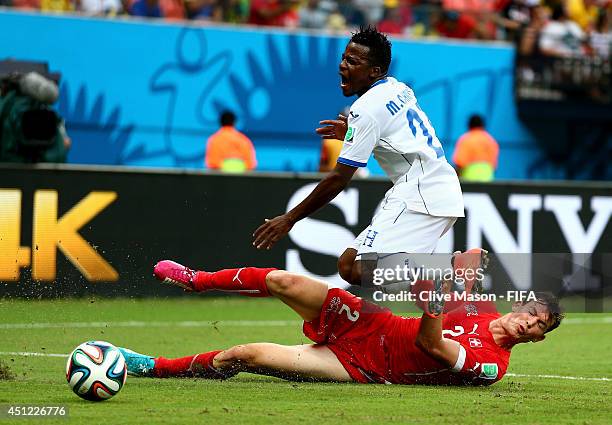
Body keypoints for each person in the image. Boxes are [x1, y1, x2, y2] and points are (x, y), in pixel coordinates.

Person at [118, 255, 563, 385]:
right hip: (374, 324)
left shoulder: (493, 366)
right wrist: (443, 277)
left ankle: (148, 366)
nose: (528, 323)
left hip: (367, 368)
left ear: (538, 339)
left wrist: (438, 299)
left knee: (244, 354)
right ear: (519, 306)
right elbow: (419, 291)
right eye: (531, 313)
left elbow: (433, 346)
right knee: (284, 281)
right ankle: (198, 280)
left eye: (538, 325)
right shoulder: (479, 306)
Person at [253, 26, 464, 286]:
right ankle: (442, 277)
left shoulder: (365, 110)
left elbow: (339, 179)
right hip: (435, 188)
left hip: (421, 193)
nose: (342, 66)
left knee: (357, 269)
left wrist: (289, 219)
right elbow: (391, 127)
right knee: (347, 265)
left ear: (374, 71)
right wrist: (353, 132)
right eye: (344, 58)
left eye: (353, 61)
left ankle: (451, 269)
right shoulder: (397, 87)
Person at [452, 114, 499, 182]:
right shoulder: (491, 140)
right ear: (483, 125)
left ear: (469, 125)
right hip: (489, 180)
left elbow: (459, 163)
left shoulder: (466, 139)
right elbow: (494, 165)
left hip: (469, 181)